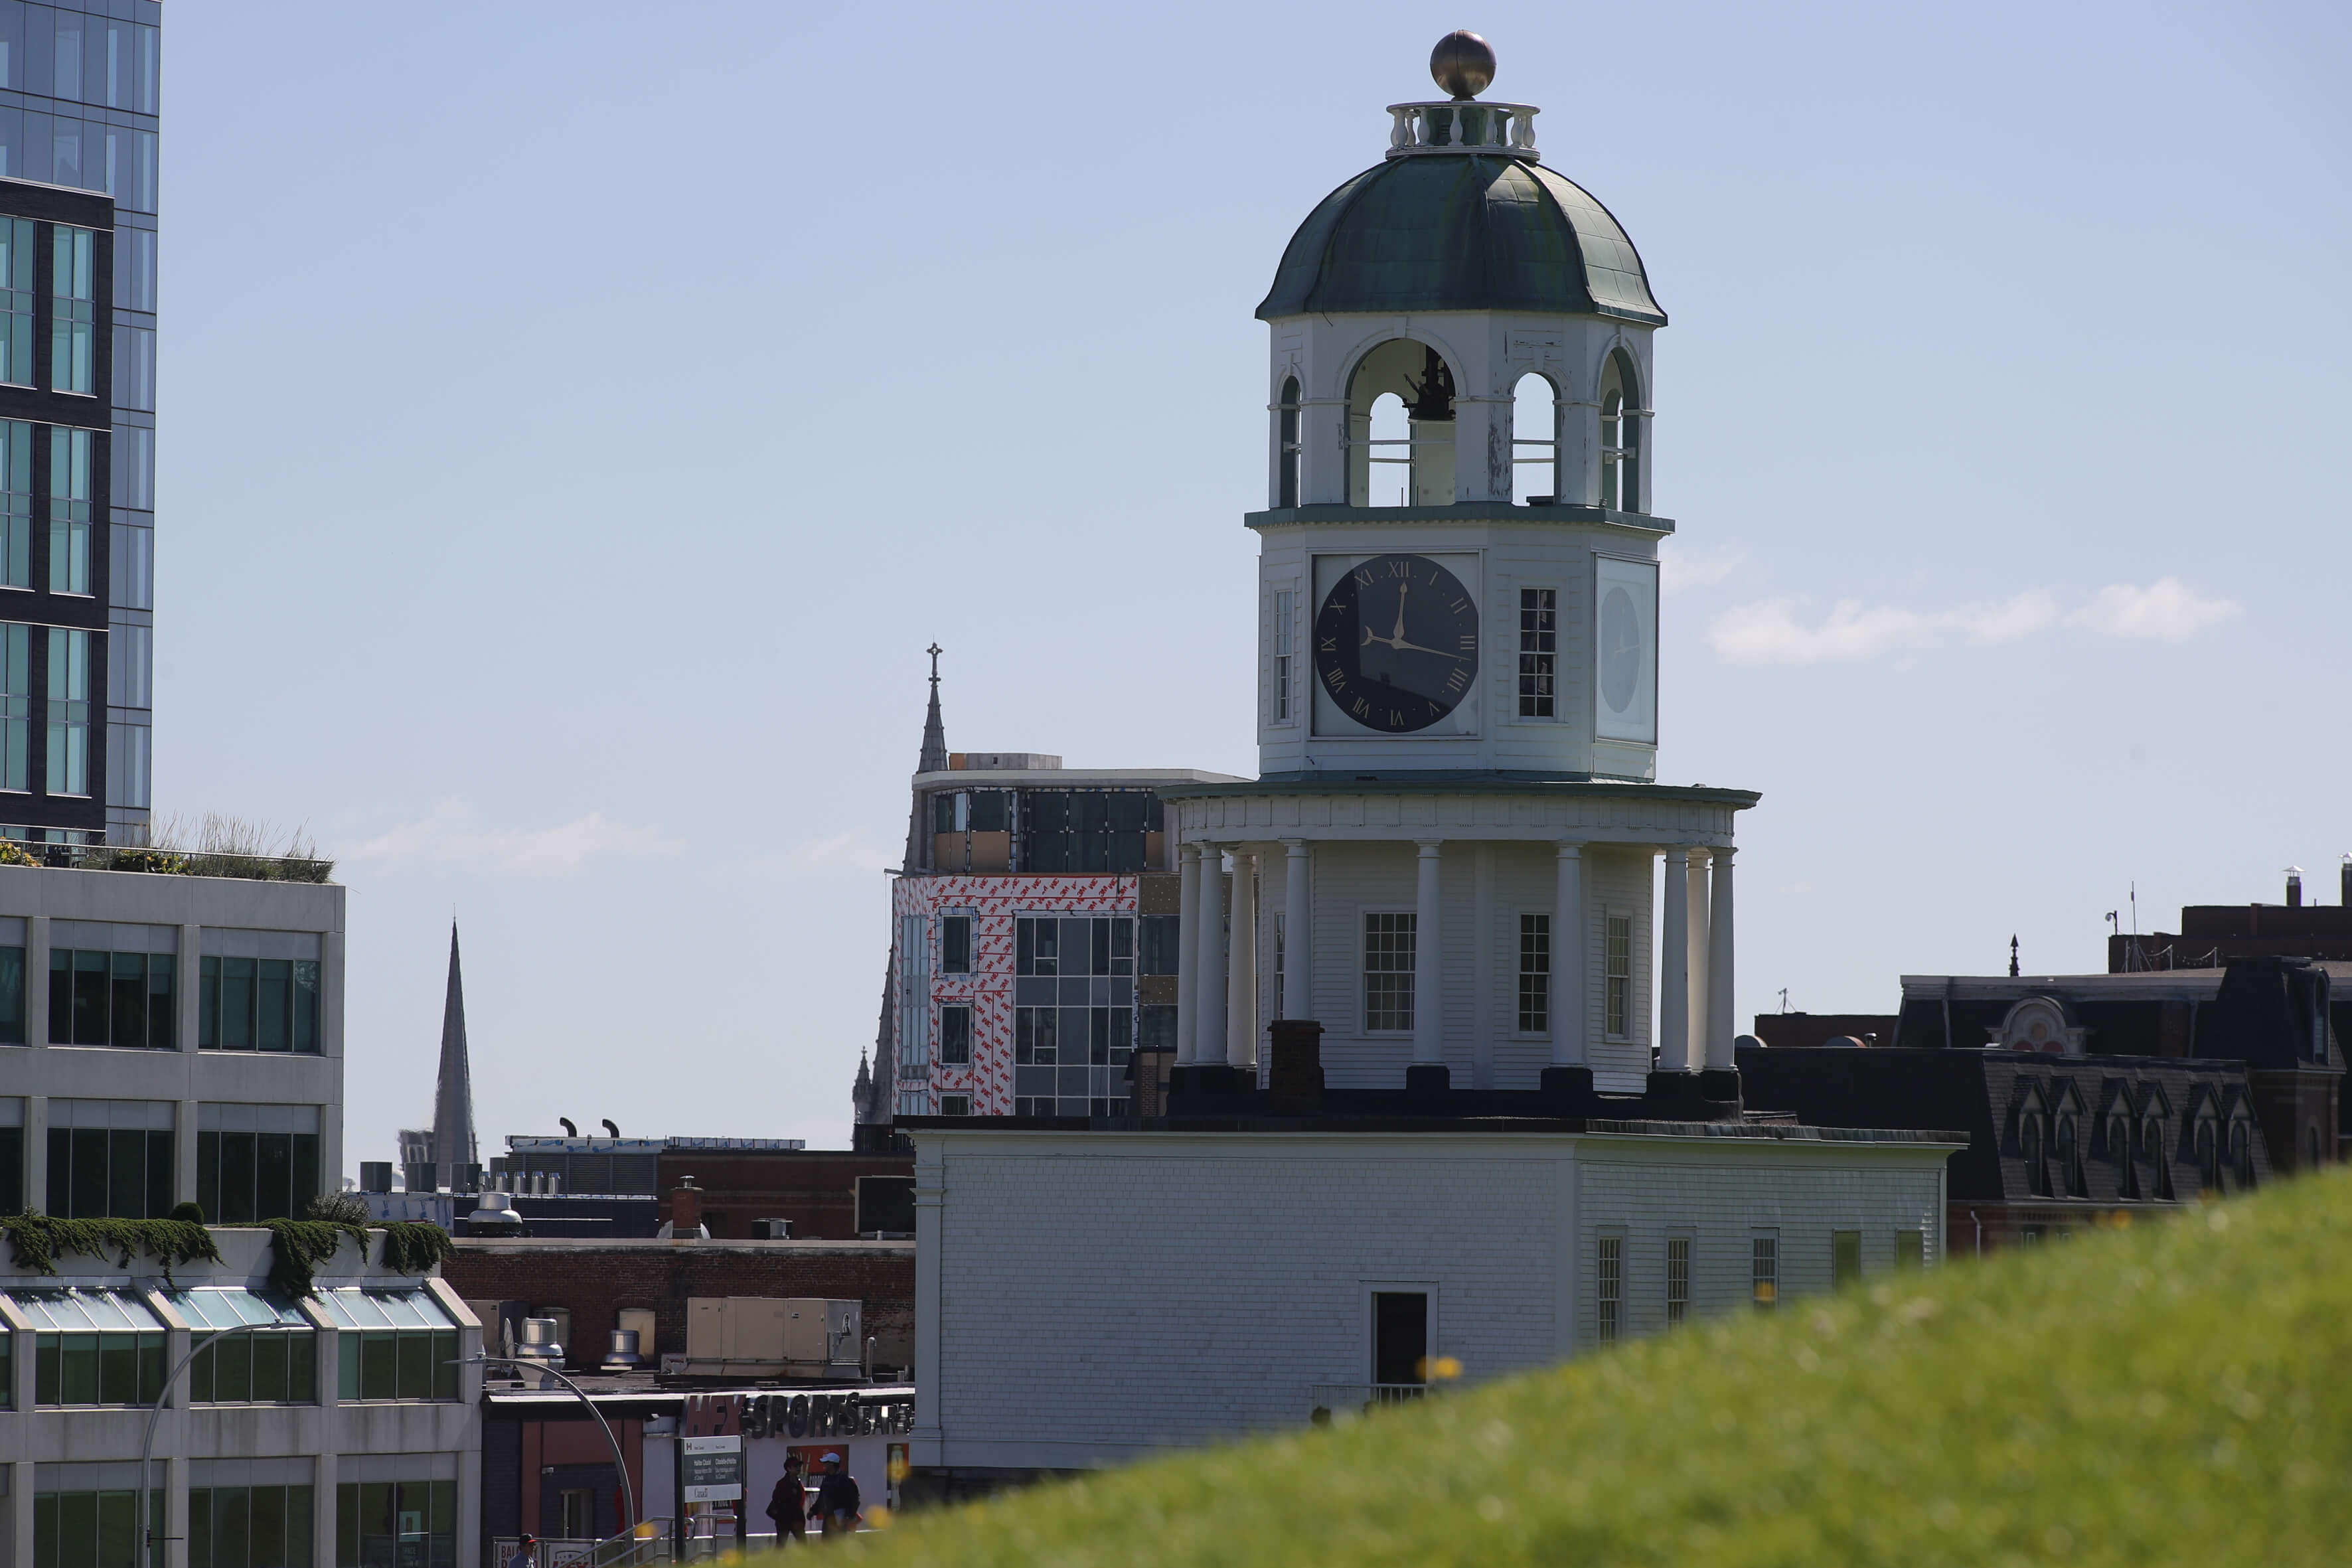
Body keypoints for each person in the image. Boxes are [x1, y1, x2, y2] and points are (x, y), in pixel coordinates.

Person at [809, 1453, 860, 1538]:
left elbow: (855, 1499)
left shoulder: (845, 1480)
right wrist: (813, 1511)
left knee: (838, 1542)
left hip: (840, 1516)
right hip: (828, 1516)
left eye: (826, 1462)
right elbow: (822, 1498)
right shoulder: (827, 1479)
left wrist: (848, 1516)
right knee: (826, 1543)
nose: (824, 1465)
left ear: (832, 1464)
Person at [766, 1453, 808, 1545]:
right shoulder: (782, 1484)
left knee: (804, 1546)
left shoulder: (798, 1483)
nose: (798, 1468)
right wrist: (782, 1516)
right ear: (788, 1469)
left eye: (799, 1466)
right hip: (784, 1521)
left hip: (797, 1520)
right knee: (781, 1546)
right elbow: (777, 1500)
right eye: (795, 1466)